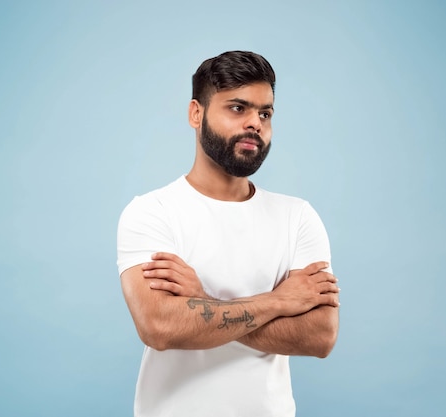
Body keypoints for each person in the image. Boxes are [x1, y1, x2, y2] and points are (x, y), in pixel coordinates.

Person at [116, 50, 340, 417]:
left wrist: (201, 302)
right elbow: (159, 326)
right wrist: (280, 302)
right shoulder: (152, 212)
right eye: (238, 108)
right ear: (196, 113)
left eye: (265, 113)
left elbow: (319, 336)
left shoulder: (297, 217)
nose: (255, 123)